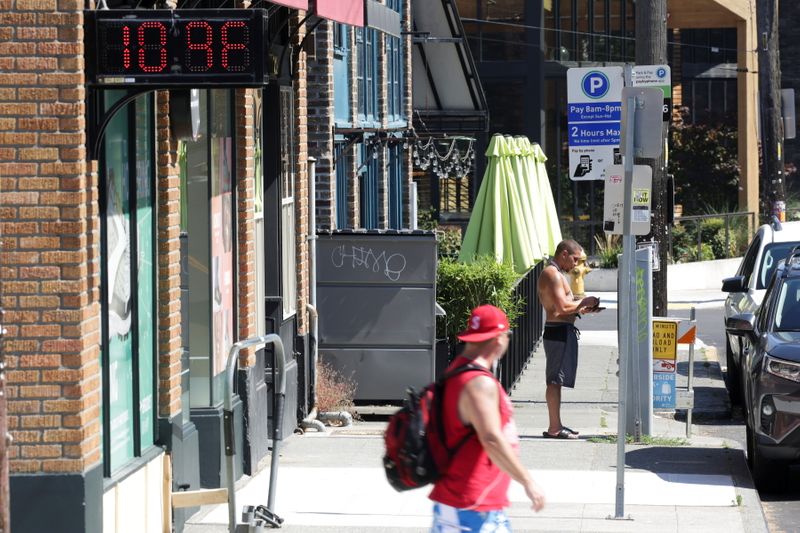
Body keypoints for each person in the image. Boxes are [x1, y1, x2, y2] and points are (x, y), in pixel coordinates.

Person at [430, 304, 546, 532]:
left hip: (459, 501)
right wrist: (527, 481)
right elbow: (491, 438)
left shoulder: (456, 372)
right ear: (499, 339)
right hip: (473, 504)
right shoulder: (479, 383)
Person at [536, 239, 602, 440]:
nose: (575, 264)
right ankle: (554, 428)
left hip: (561, 330)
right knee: (554, 381)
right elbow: (561, 309)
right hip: (557, 331)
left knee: (557, 380)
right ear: (563, 253)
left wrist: (583, 307)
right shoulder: (552, 274)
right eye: (574, 259)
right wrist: (583, 302)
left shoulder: (556, 274)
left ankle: (557, 425)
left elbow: (566, 305)